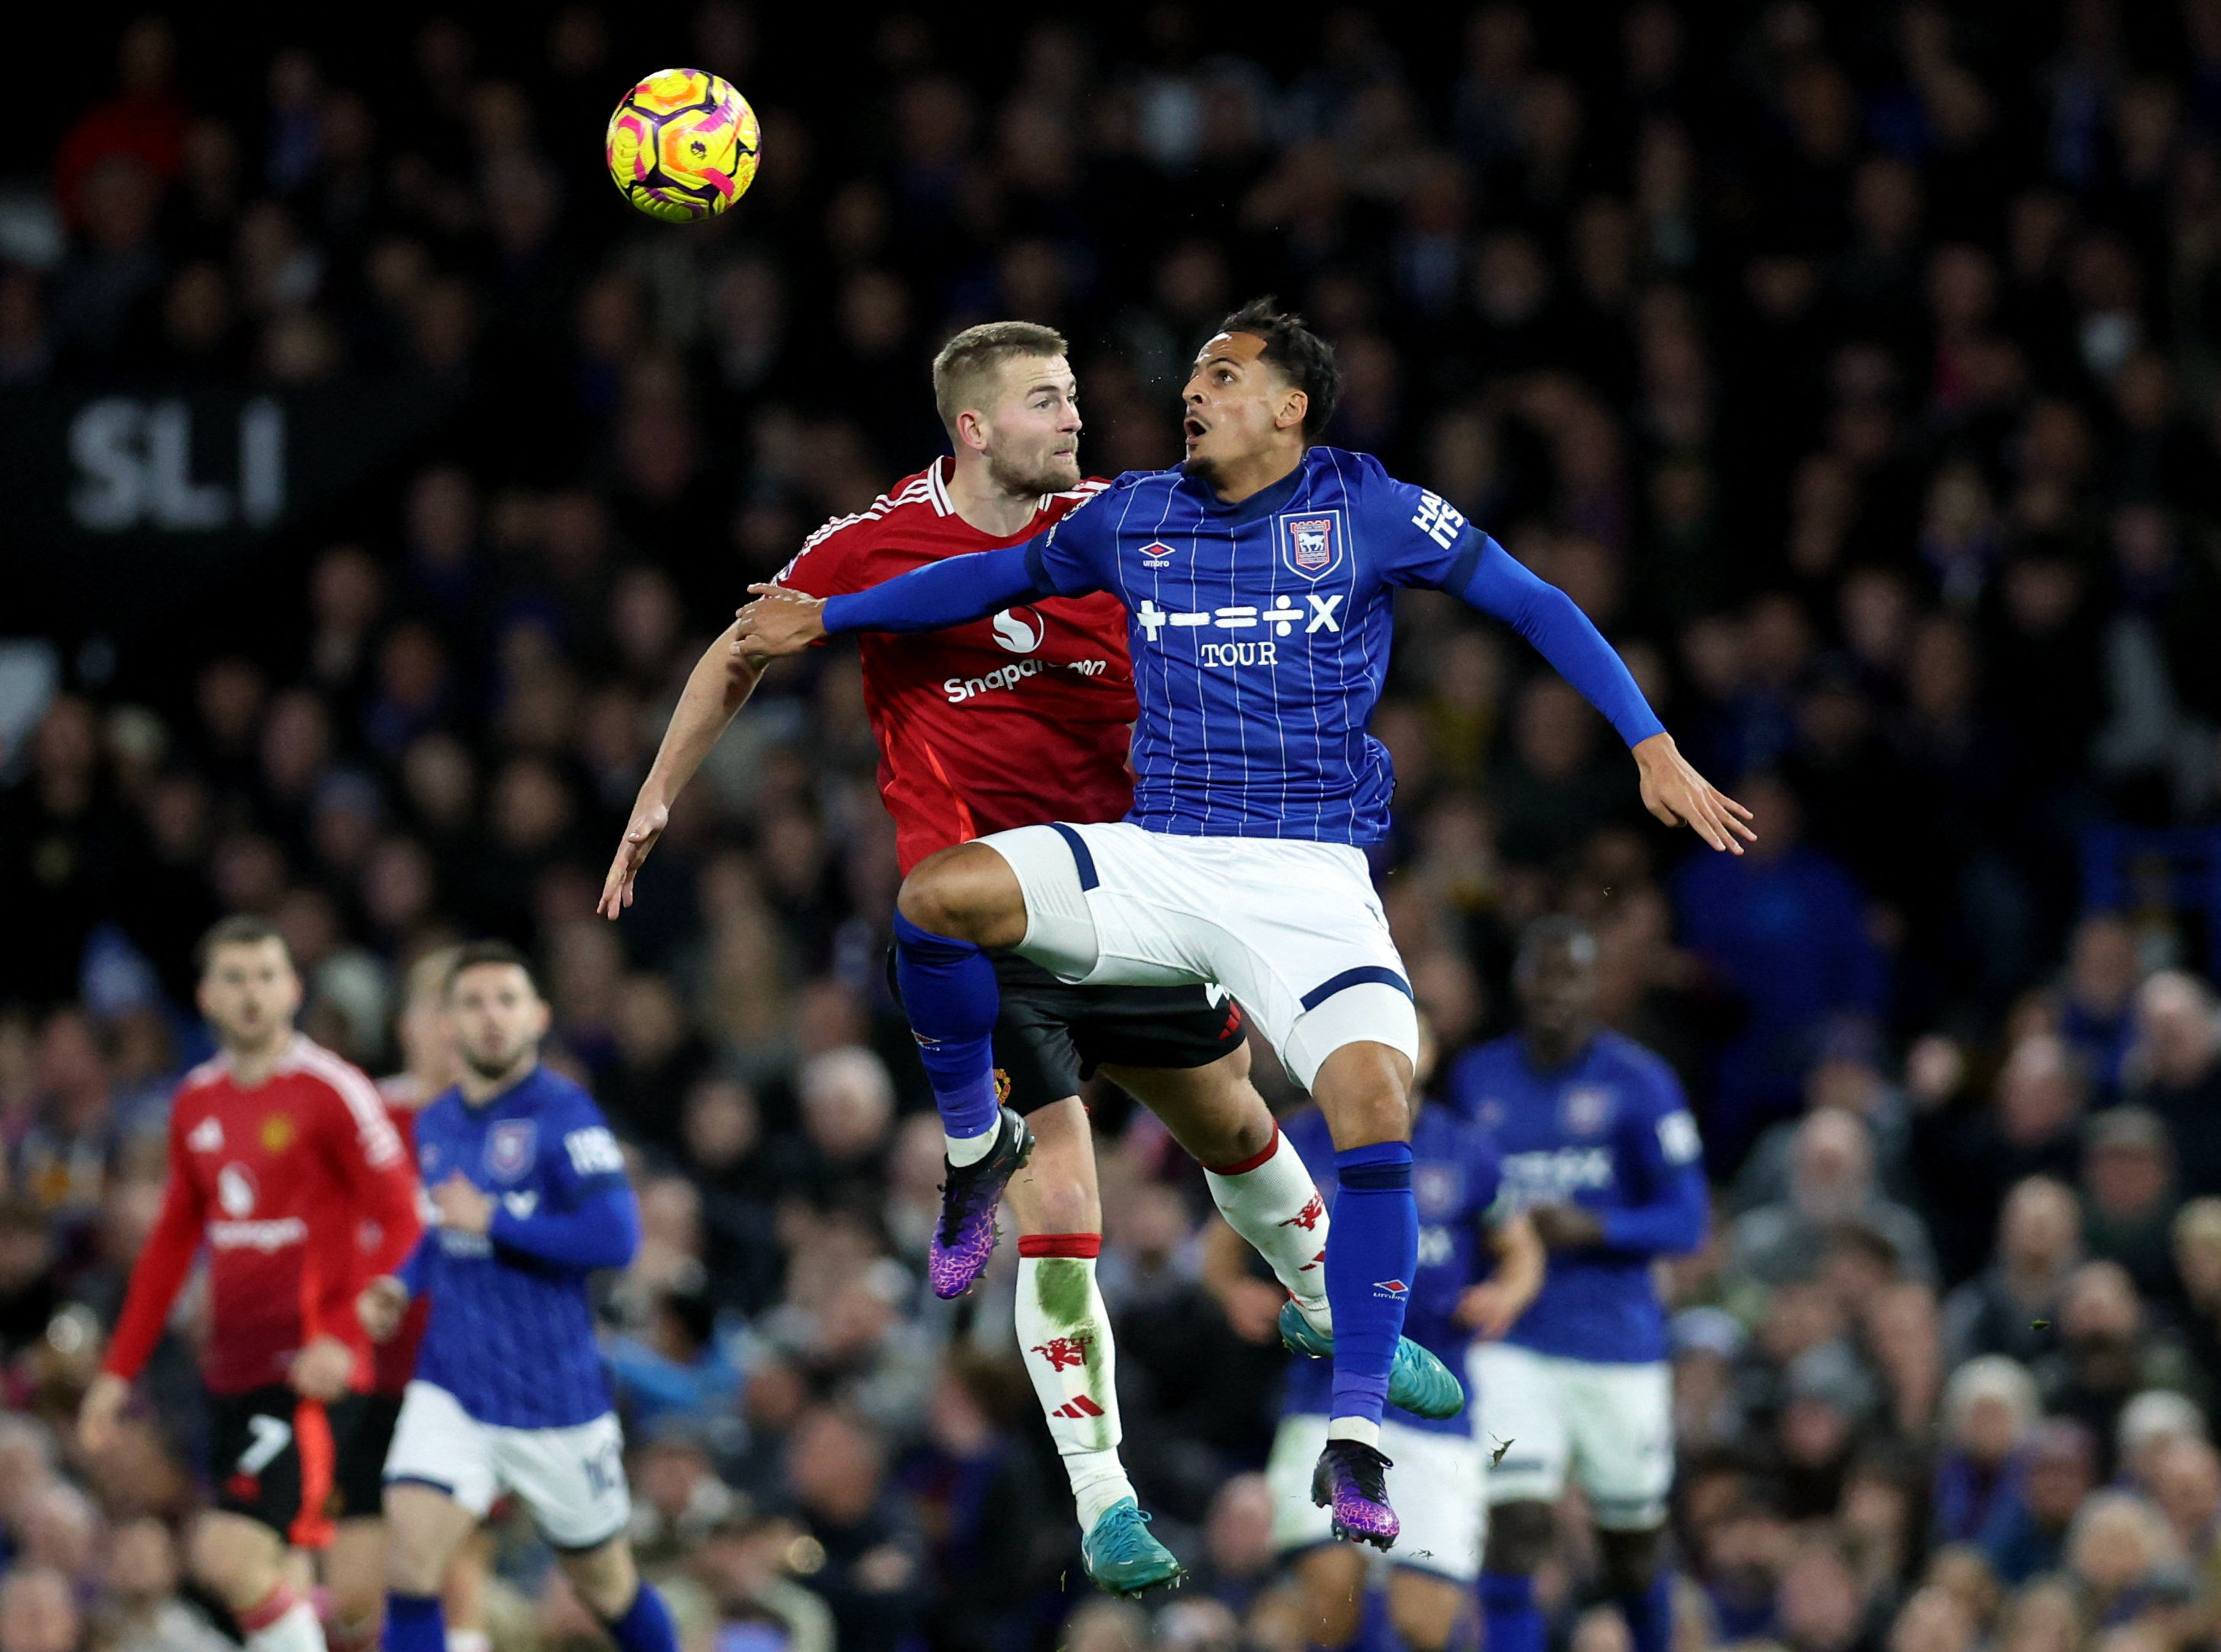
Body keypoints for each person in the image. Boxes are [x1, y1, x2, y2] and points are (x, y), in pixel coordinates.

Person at [732, 299, 1749, 1546]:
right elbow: (982, 576)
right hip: (1161, 858)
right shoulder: (1133, 515)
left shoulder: (1367, 509)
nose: (1191, 392)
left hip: (1308, 881)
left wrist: (1649, 742)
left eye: (1223, 374)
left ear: (1289, 406)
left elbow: (1536, 603)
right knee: (936, 897)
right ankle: (967, 1148)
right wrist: (825, 619)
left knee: (1376, 1103)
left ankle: (1359, 1425)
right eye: (1194, 373)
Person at [599, 318, 1459, 1590]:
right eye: (1047, 401)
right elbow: (748, 643)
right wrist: (659, 793)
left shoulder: (1126, 520)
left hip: (1140, 888)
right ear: (974, 427)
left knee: (1232, 1122)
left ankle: (1329, 1302)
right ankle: (1105, 1493)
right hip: (995, 920)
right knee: (1063, 1199)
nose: (1076, 417)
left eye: (1071, 396)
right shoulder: (869, 542)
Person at [78, 916, 420, 1652]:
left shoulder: (333, 1090)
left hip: (312, 1373)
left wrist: (348, 1335)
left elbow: (403, 1220)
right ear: (205, 996)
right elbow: (172, 1244)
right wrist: (117, 1370)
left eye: (267, 976)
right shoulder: (195, 1101)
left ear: (293, 989)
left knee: (225, 1553)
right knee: (286, 1580)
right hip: (232, 1373)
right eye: (235, 978)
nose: (252, 994)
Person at [356, 942, 678, 1652]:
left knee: (607, 1587)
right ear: (448, 1027)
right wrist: (398, 1285)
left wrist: (498, 1220)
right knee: (410, 1562)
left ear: (538, 1017)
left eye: (507, 1000)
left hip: (554, 1399)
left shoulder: (567, 1115)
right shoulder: (436, 1122)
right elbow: (444, 1230)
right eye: (472, 1003)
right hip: (453, 1385)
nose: (490, 1017)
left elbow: (616, 1238)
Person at [1446, 917, 1711, 1652]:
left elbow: (1687, 1219)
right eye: (1543, 974)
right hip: (1515, 1337)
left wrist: (1595, 1229)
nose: (1556, 992)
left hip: (1616, 1343)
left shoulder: (1642, 1082)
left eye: (1572, 976)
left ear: (1598, 989)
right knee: (1514, 1524)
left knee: (1631, 1544)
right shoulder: (1479, 1078)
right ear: (1520, 984)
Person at [1241, 1018, 1544, 1652]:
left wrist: (1504, 1294)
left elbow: (1522, 1249)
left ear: (1429, 1055)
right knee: (1330, 1603)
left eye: (1410, 1038)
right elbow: (1222, 1239)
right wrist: (1232, 1289)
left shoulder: (1467, 1150)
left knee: (1426, 1624)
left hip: (1435, 1403)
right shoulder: (1298, 1137)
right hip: (1319, 1396)